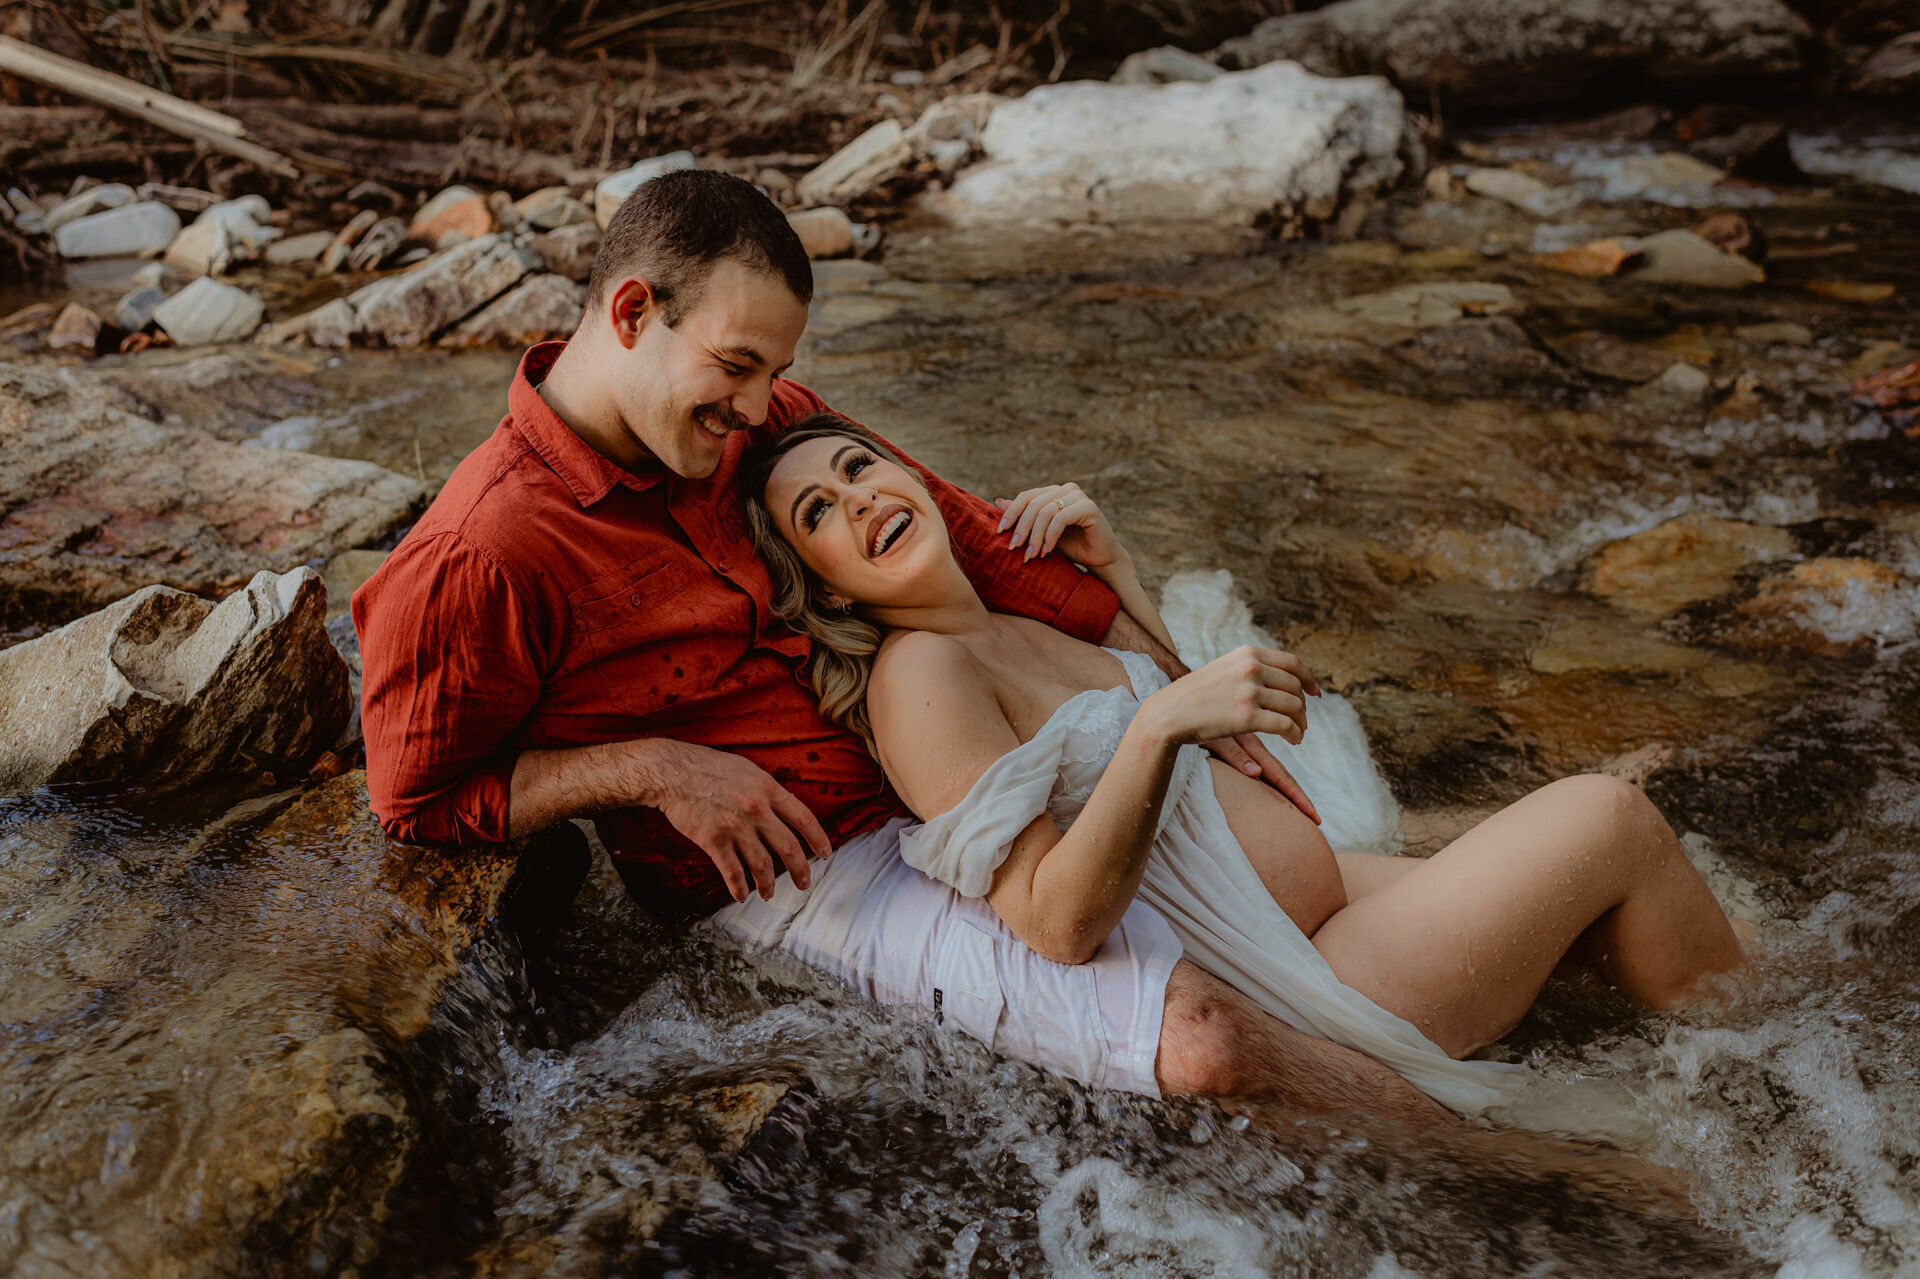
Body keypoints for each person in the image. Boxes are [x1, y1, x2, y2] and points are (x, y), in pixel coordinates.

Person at [352, 168, 1449, 1126]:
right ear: (633, 310)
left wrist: (1184, 686)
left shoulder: (763, 418)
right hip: (812, 869)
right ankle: (1532, 1175)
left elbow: (1000, 555)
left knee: (1283, 891)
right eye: (735, 367)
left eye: (772, 371)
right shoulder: (483, 551)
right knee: (1205, 1037)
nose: (755, 406)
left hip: (959, 770)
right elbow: (413, 795)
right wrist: (652, 768)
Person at [742, 413, 1751, 1117]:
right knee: (1608, 820)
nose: (855, 497)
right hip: (1302, 971)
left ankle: (1752, 1039)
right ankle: (1771, 1067)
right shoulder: (920, 673)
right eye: (818, 513)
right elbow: (1053, 919)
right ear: (823, 590)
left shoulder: (1011, 618)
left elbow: (1197, 720)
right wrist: (1154, 729)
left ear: (913, 478)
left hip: (1320, 903)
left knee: (1604, 937)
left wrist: (1118, 571)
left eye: (857, 468)